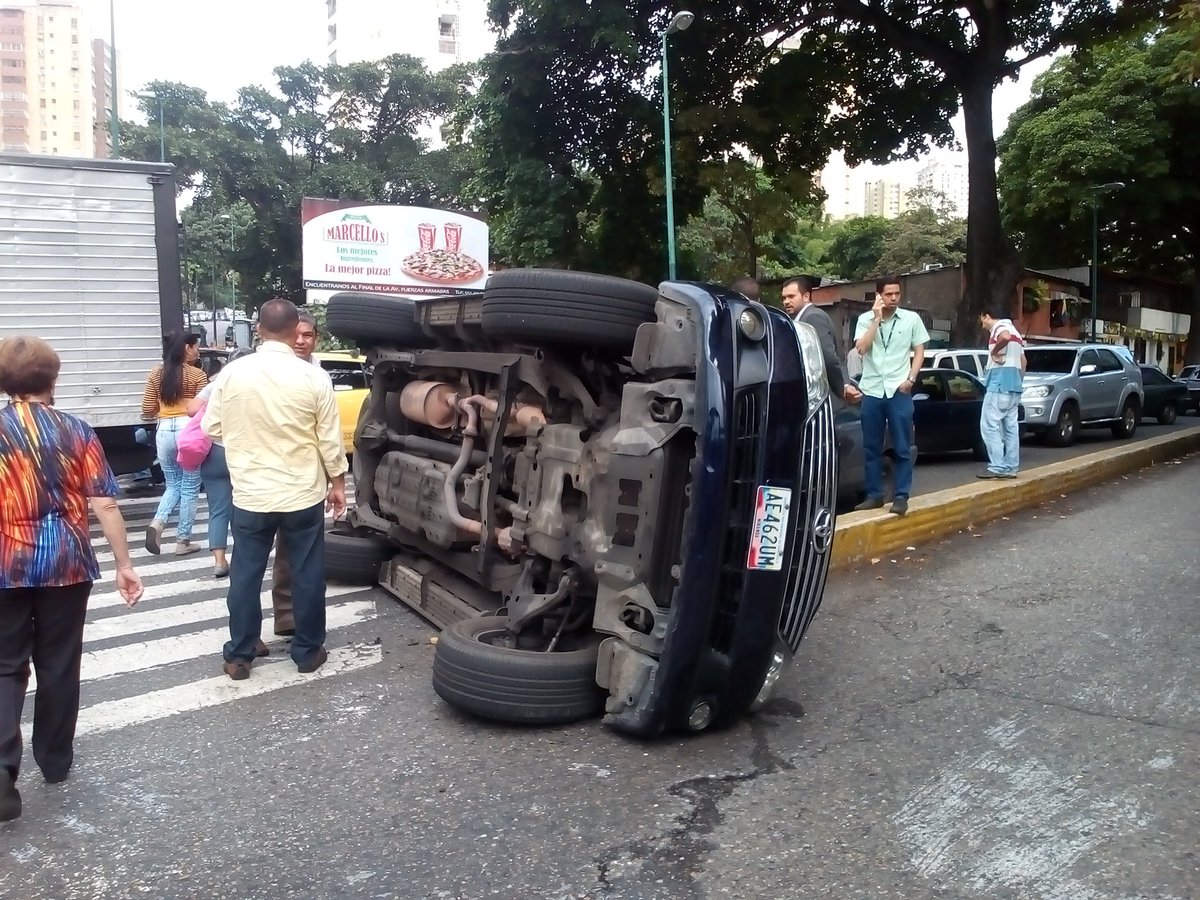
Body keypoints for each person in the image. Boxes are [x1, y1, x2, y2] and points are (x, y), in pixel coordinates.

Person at [0, 337, 143, 822]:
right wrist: (124, 564)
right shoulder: (77, 431)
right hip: (66, 560)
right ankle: (55, 762)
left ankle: (2, 770)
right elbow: (103, 503)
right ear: (52, 378)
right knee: (59, 660)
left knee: (4, 665)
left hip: (4, 563)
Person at [202, 299, 348, 680]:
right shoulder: (314, 377)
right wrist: (338, 484)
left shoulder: (232, 374)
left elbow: (211, 428)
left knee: (246, 573)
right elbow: (330, 441)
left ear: (259, 329)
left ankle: (240, 652)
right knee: (307, 571)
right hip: (302, 492)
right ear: (293, 330)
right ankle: (306, 651)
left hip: (251, 493)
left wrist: (247, 440)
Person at [268, 309, 329, 636]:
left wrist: (334, 480)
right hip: (261, 480)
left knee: (296, 556)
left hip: (306, 480)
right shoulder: (257, 369)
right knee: (251, 558)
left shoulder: (319, 374)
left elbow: (328, 434)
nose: (302, 341)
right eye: (297, 335)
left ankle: (289, 618)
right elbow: (204, 414)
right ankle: (247, 634)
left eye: (309, 335)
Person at [853, 276, 930, 516]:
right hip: (873, 389)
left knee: (902, 446)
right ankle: (874, 494)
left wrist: (911, 379)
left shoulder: (911, 319)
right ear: (879, 296)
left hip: (899, 390)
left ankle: (901, 496)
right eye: (888, 294)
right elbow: (861, 348)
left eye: (897, 293)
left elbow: (919, 351)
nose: (894, 298)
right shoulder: (865, 320)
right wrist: (876, 320)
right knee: (871, 446)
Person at [187, 346, 255, 579]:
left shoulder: (217, 384)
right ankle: (243, 556)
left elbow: (191, 409)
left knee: (218, 509)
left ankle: (219, 561)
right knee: (242, 506)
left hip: (214, 452)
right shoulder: (256, 386)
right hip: (242, 453)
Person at [141, 331, 208, 556]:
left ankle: (158, 523)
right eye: (195, 346)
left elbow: (147, 408)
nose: (197, 351)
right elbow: (202, 408)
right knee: (189, 487)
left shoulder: (155, 374)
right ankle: (183, 541)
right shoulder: (197, 375)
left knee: (173, 484)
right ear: (186, 348)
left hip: (164, 431)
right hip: (188, 430)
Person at [780, 275, 862, 404]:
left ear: (806, 297)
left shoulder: (813, 317)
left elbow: (828, 356)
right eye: (784, 298)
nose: (786, 301)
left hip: (822, 398)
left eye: (791, 296)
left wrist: (843, 388)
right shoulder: (801, 319)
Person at [978, 306, 1025, 479]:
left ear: (987, 316)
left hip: (998, 385)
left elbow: (1004, 337)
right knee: (1011, 428)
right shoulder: (1017, 334)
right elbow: (1023, 362)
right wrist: (1018, 382)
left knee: (990, 426)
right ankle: (1011, 467)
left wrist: (995, 351)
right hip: (1014, 387)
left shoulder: (999, 328)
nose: (982, 323)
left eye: (981, 319)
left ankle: (997, 466)